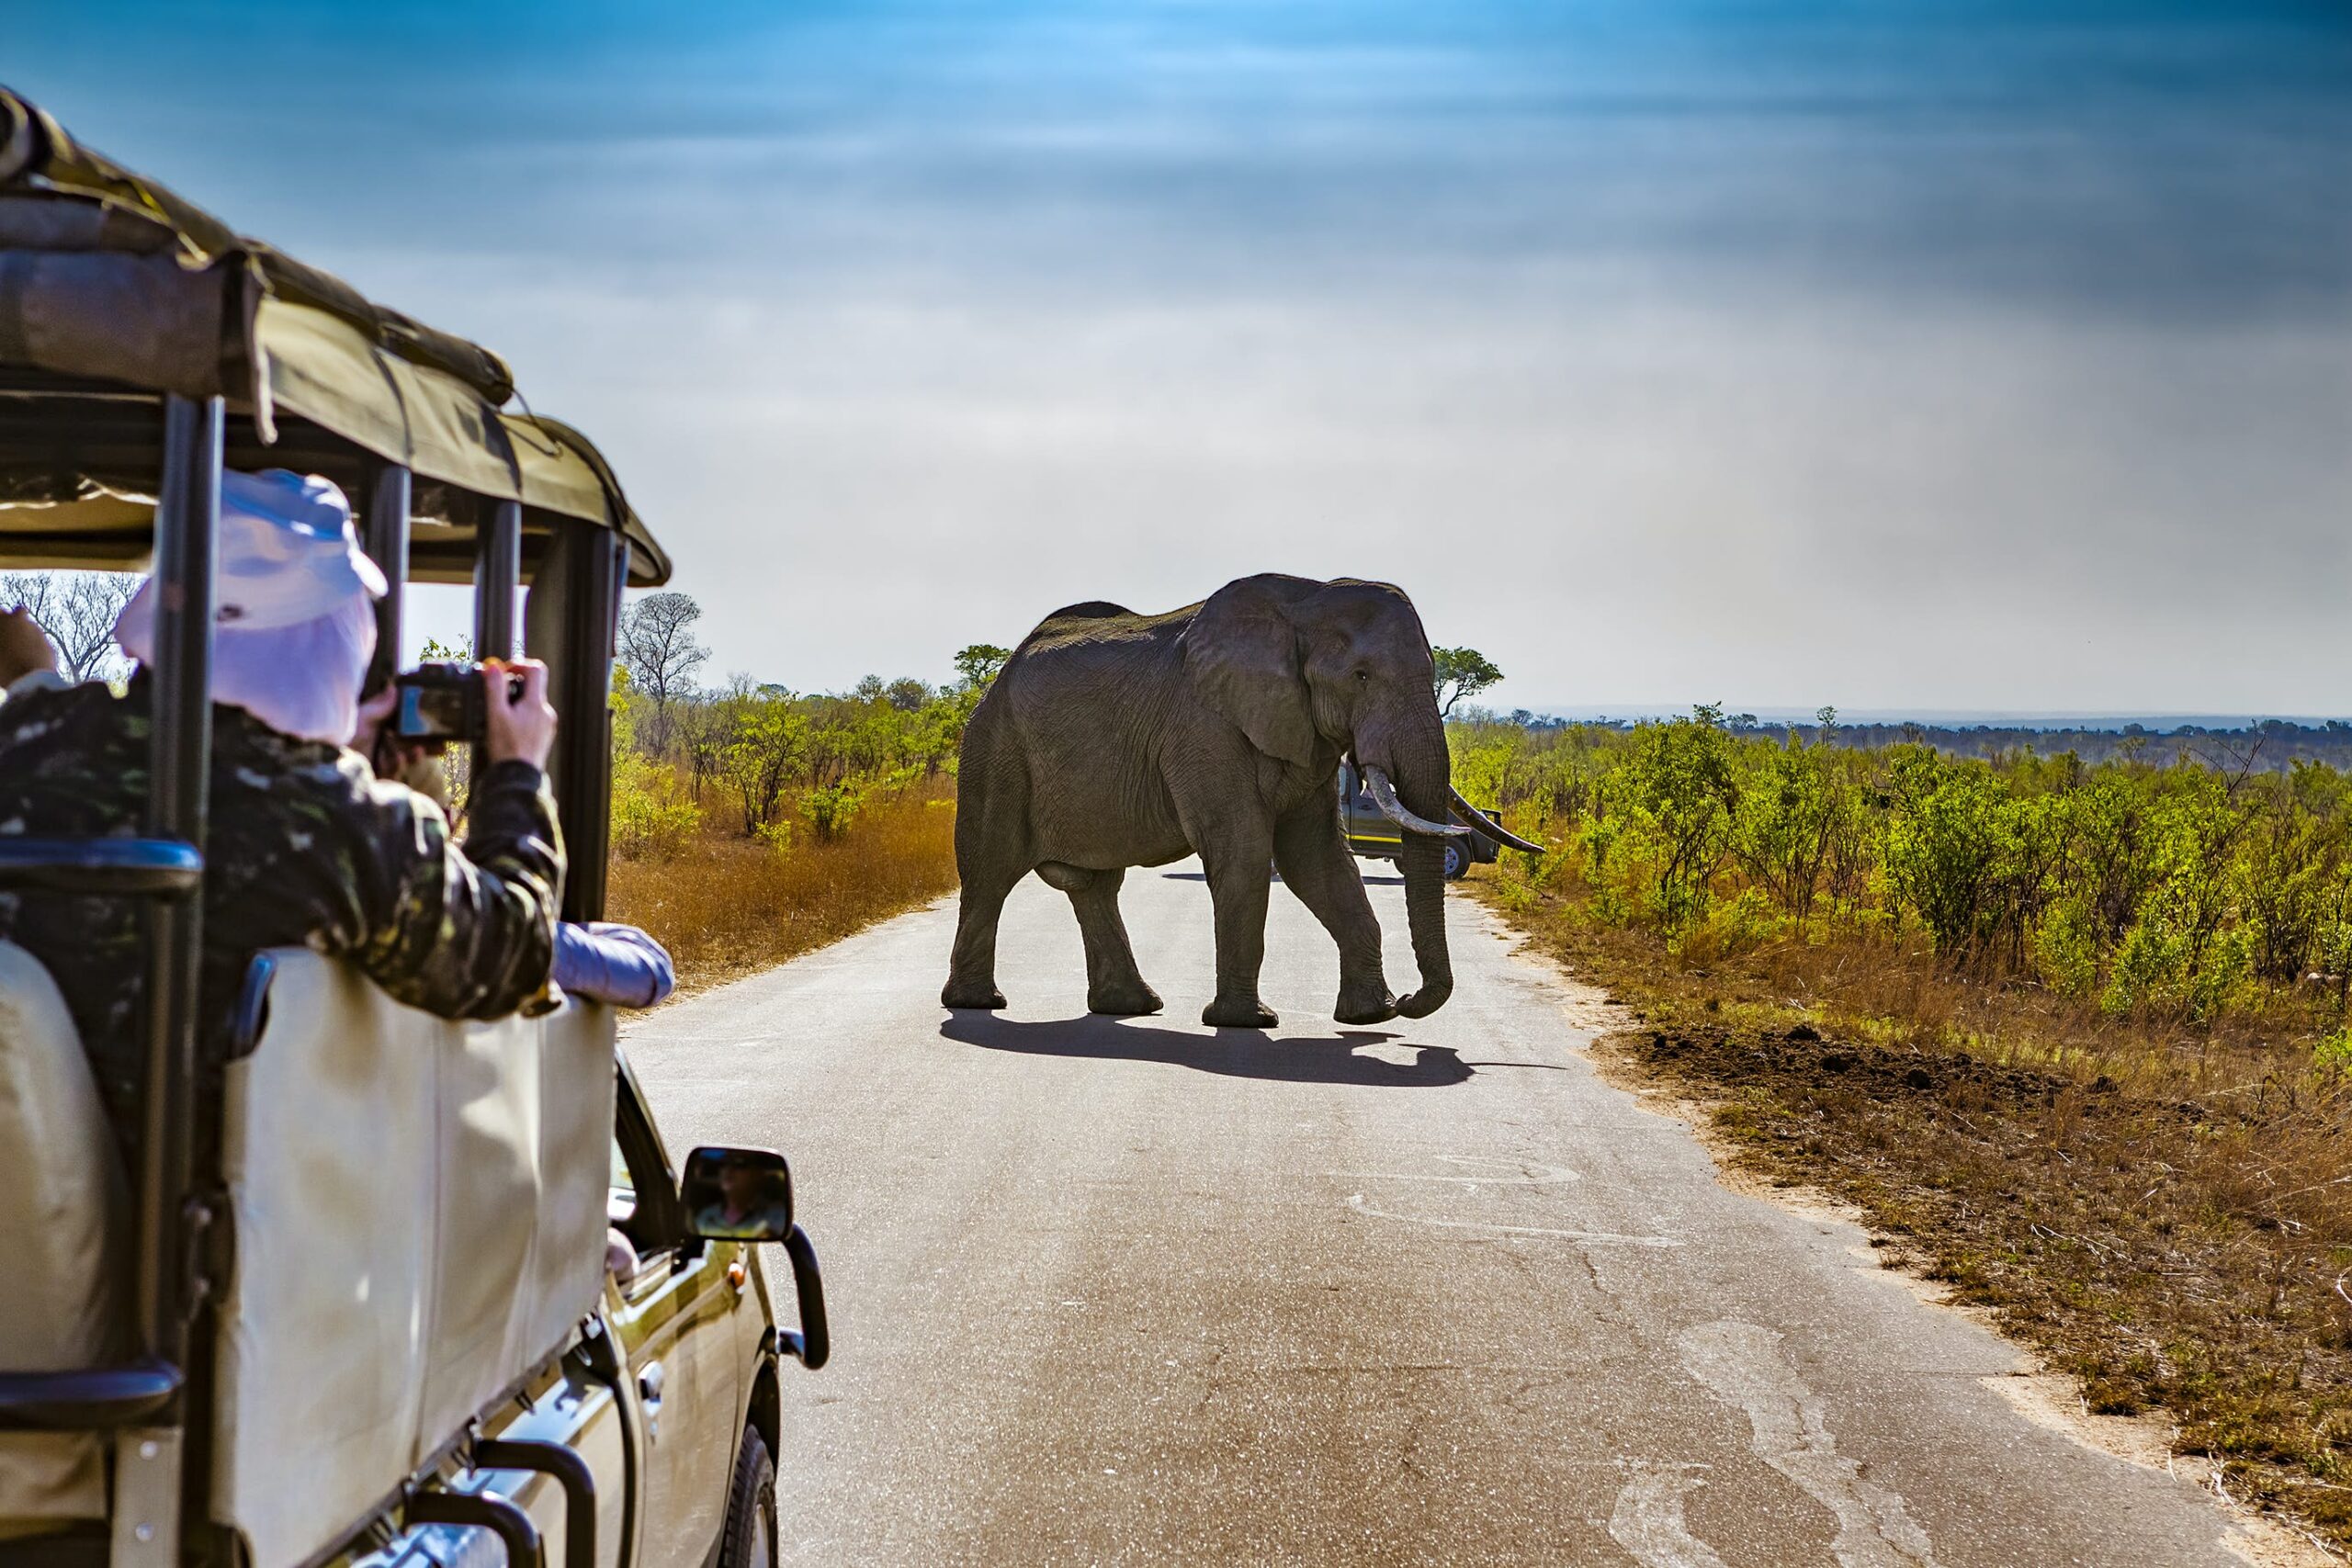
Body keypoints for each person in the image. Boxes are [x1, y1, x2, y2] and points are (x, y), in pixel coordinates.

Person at [0, 468, 563, 1167]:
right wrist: (516, 772)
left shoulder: (24, 743)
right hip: (209, 1258)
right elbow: (512, 955)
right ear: (332, 635)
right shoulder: (349, 826)